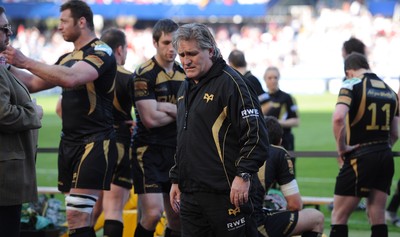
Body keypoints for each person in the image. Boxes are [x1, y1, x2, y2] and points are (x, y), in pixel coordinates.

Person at [4, 1, 118, 236]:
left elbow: (72, 79)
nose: (59, 27)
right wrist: (6, 66)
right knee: (74, 218)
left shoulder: (101, 51)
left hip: (94, 142)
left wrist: (24, 60)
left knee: (78, 216)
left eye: (64, 21)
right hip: (68, 143)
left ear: (82, 21)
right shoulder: (66, 57)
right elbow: (34, 83)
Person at [169, 23, 269, 237]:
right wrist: (177, 179)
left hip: (227, 195)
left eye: (193, 54)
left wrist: (243, 176)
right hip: (190, 195)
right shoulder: (184, 87)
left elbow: (257, 136)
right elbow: (184, 139)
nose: (186, 60)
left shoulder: (232, 83)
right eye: (182, 54)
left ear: (211, 51)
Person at [330, 52, 399, 237]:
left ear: (349, 72)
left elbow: (338, 118)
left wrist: (342, 148)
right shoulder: (390, 90)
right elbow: (395, 133)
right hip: (385, 155)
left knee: (339, 215)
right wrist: (382, 149)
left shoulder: (351, 83)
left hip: (360, 156)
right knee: (377, 216)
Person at [131, 19, 184, 237]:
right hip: (148, 152)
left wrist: (165, 107)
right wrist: (178, 110)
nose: (172, 48)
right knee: (153, 214)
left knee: (178, 219)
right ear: (155, 43)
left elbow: (193, 114)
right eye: (166, 43)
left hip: (176, 153)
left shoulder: (185, 74)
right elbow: (150, 119)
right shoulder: (144, 73)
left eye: (176, 43)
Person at [0, 6, 43, 237]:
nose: (9, 33)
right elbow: (3, 113)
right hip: (4, 177)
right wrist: (33, 113)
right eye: (4, 28)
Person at [255, 116, 324, 237]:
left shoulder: (235, 149)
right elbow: (295, 205)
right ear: (280, 141)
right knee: (316, 217)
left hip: (221, 220)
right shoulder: (278, 152)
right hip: (251, 224)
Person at [263, 66, 299, 174]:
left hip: (285, 140)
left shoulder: (287, 98)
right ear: (265, 79)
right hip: (266, 142)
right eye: (270, 78)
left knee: (288, 172)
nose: (273, 80)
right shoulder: (260, 98)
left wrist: (275, 123)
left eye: (275, 77)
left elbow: (296, 121)